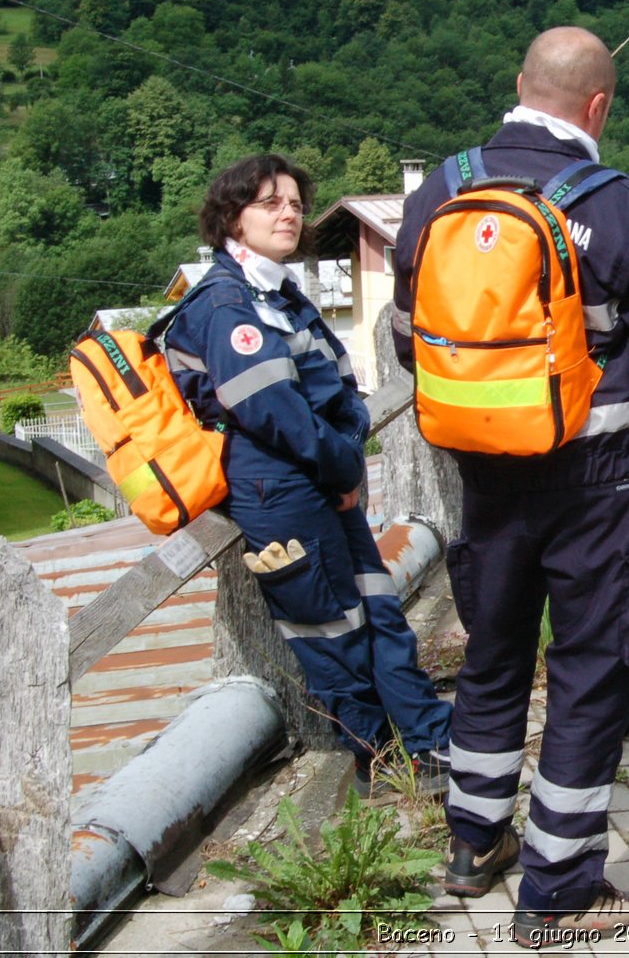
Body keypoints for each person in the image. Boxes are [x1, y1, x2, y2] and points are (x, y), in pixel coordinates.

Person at [391, 27, 629, 943]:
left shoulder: (442, 191)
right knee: (590, 670)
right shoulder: (615, 207)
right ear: (602, 108)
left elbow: (406, 337)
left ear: (518, 85)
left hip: (482, 475)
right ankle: (561, 887)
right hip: (597, 479)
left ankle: (473, 844)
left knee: (493, 655)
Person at [164, 154, 452, 800]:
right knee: (331, 633)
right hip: (281, 490)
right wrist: (344, 462)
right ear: (230, 218)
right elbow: (272, 411)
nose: (288, 212)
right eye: (269, 203)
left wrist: (343, 454)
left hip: (319, 478)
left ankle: (432, 741)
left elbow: (326, 391)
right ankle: (377, 764)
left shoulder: (277, 293)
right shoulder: (225, 303)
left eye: (294, 202)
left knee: (380, 614)